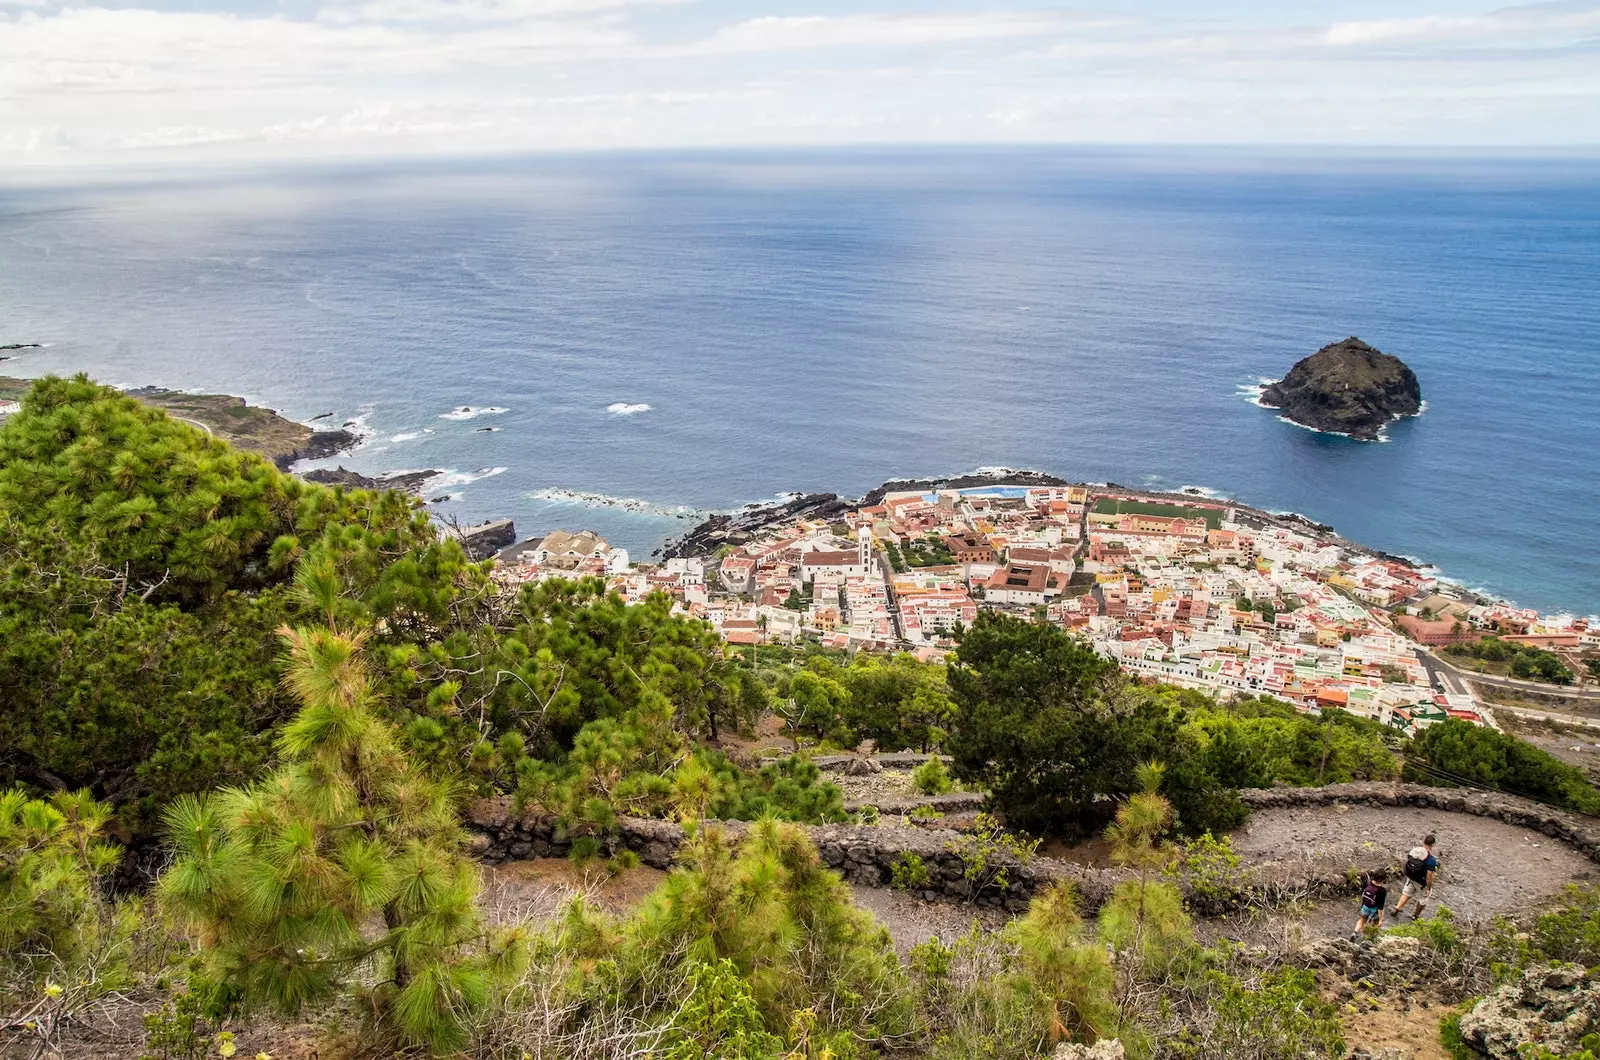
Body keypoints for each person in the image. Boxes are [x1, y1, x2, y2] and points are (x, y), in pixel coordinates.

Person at [1393, 834, 1439, 921]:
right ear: (1432, 845)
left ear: (1424, 841)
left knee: (1406, 893)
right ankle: (1415, 915)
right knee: (1424, 898)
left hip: (1411, 877)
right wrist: (1429, 888)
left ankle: (1397, 909)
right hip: (1421, 883)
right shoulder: (1431, 860)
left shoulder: (1414, 851)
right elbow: (1429, 876)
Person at [1352, 869, 1388, 939]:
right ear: (1382, 879)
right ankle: (1367, 937)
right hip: (1375, 910)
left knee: (1362, 919)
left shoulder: (1367, 883)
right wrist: (1380, 919)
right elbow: (1381, 906)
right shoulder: (1382, 891)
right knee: (1375, 922)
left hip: (1365, 906)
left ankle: (1355, 932)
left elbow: (1362, 893)